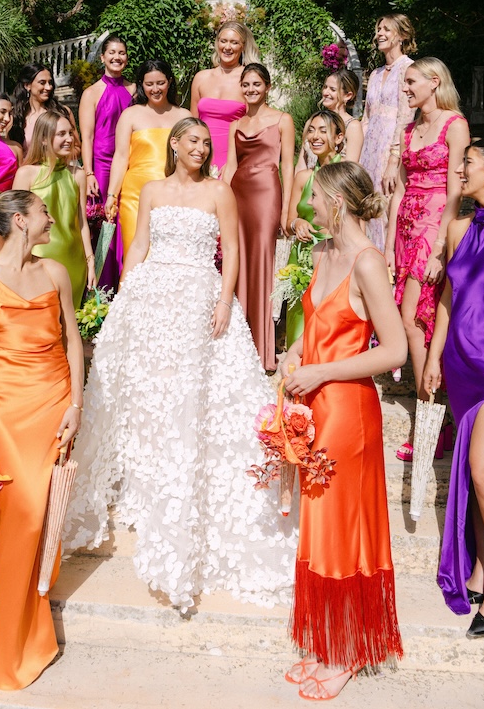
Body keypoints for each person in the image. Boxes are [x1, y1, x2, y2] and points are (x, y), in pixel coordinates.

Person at [63, 117, 297, 612]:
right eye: (192, 140)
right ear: (174, 144)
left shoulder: (220, 191)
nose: (200, 147)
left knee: (193, 396)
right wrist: (127, 297)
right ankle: (144, 482)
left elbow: (230, 251)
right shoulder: (149, 189)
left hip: (199, 298)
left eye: (204, 142)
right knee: (149, 394)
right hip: (152, 297)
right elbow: (140, 245)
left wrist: (223, 301)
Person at [0, 190, 84, 690]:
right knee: (21, 512)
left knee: (43, 512)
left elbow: (72, 338)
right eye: (44, 211)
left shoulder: (54, 273)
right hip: (2, 406)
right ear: (22, 221)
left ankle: (30, 620)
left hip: (52, 402)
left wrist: (76, 405)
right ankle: (11, 638)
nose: (52, 217)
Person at [282, 161, 407, 700]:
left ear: (339, 201)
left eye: (317, 196)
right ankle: (329, 640)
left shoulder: (366, 261)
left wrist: (321, 370)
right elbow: (317, 324)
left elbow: (396, 350)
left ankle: (349, 650)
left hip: (349, 414)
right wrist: (293, 354)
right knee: (319, 530)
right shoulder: (322, 254)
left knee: (344, 534)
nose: (309, 204)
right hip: (314, 407)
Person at [423, 136, 484, 650]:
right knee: (481, 476)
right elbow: (446, 298)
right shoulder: (459, 227)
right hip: (460, 367)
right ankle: (481, 567)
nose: (460, 168)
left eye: (470, 162)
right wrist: (435, 356)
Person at [385, 58, 469, 461]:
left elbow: (457, 187)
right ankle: (441, 420)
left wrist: (440, 245)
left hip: (435, 225)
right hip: (405, 229)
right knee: (417, 321)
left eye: (411, 81)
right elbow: (398, 190)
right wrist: (387, 244)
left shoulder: (455, 124)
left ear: (435, 82)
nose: (405, 88)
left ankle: (432, 419)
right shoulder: (407, 129)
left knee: (415, 320)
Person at [223, 63, 295, 371]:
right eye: (246, 84)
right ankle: (238, 345)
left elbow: (288, 165)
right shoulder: (235, 124)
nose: (251, 89)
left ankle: (264, 350)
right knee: (239, 263)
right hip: (238, 194)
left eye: (257, 84)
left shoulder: (283, 120)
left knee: (263, 264)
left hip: (267, 196)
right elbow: (229, 166)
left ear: (267, 86)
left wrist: (288, 208)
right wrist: (219, 203)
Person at [104, 60, 190, 258]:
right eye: (149, 84)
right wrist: (112, 195)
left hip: (174, 193)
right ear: (141, 84)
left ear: (169, 82)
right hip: (135, 195)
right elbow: (121, 156)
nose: (155, 89)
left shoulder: (183, 115)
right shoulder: (130, 115)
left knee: (170, 256)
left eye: (160, 83)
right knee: (136, 256)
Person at [13, 110, 95, 309]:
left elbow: (81, 222)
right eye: (61, 134)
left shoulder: (78, 175)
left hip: (73, 262)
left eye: (70, 133)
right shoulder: (27, 174)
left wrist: (90, 261)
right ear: (43, 139)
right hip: (37, 259)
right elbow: (14, 223)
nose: (69, 139)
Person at [78, 34, 135, 289]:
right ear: (102, 57)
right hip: (101, 165)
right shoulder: (91, 93)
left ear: (127, 58)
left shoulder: (134, 91)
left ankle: (126, 282)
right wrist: (89, 173)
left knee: (126, 222)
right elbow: (86, 137)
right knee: (104, 225)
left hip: (130, 164)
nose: (117, 57)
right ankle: (100, 286)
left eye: (121, 53)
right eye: (112, 52)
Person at [284, 111, 345, 347]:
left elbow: (357, 221)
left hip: (333, 256)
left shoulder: (347, 172)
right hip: (301, 256)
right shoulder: (303, 177)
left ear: (339, 138)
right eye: (311, 130)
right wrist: (297, 223)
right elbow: (288, 221)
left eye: (322, 130)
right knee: (300, 323)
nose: (315, 136)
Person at [359, 13, 417, 251]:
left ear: (401, 35)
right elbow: (366, 118)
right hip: (369, 151)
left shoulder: (409, 68)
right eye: (378, 28)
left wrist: (394, 160)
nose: (379, 33)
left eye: (386, 30)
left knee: (386, 208)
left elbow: (406, 117)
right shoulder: (373, 74)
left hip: (390, 151)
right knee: (365, 208)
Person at [190, 20, 260, 171]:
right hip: (200, 158)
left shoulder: (248, 79)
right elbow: (192, 125)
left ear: (243, 46)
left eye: (234, 43)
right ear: (217, 43)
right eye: (223, 41)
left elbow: (254, 125)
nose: (227, 47)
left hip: (234, 161)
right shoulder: (201, 77)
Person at [10, 63, 77, 153]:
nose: (48, 87)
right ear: (27, 85)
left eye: (50, 82)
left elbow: (77, 148)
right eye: (42, 83)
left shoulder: (62, 112)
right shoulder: (16, 117)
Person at [320, 69, 364, 163]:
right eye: (325, 87)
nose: (325, 93)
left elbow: (351, 166)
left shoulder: (352, 126)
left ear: (348, 96)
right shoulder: (316, 120)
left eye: (332, 89)